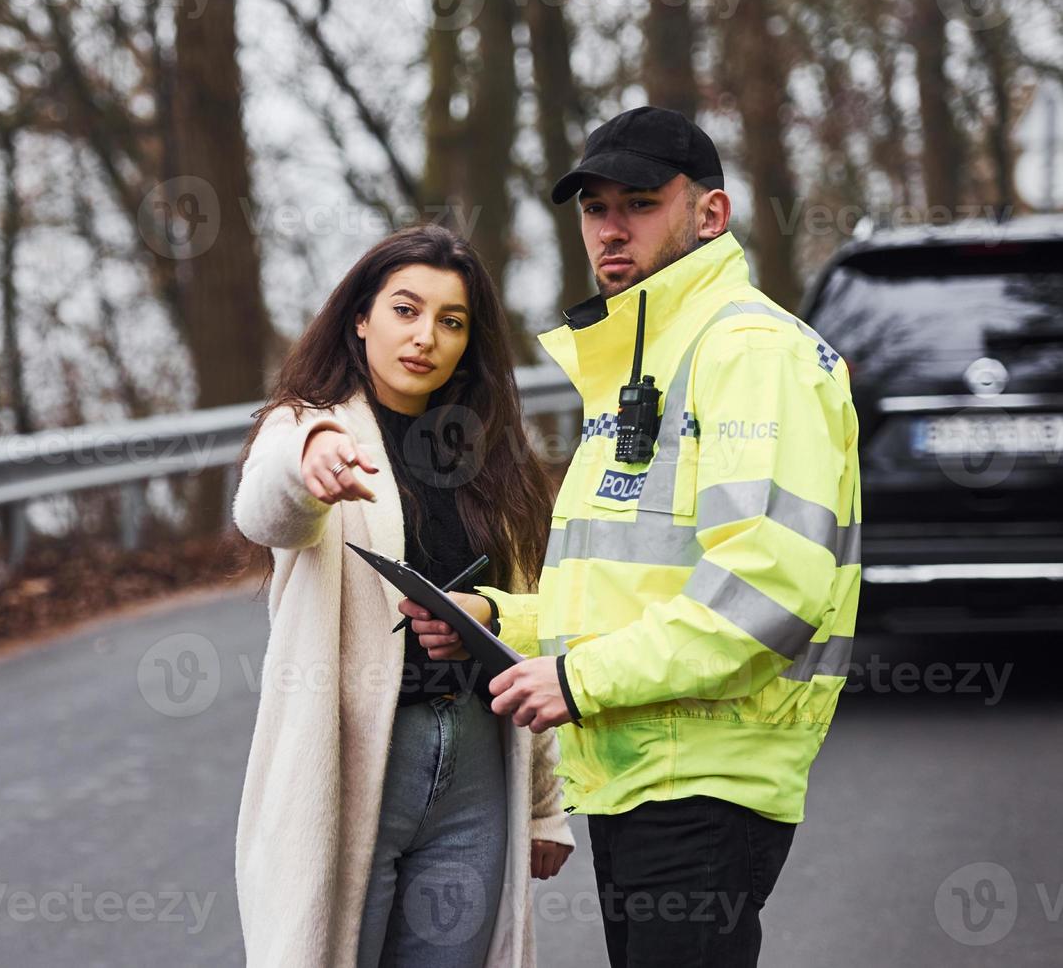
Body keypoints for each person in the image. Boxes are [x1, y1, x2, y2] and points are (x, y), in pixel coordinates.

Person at [413, 106, 863, 967]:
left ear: (710, 214)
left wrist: (576, 681)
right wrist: (499, 621)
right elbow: (627, 588)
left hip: (706, 779)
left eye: (640, 203)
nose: (610, 230)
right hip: (640, 772)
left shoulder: (750, 352)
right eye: (594, 208)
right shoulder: (643, 362)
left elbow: (767, 595)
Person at [232, 224, 575, 967]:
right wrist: (310, 455)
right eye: (405, 310)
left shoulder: (490, 461)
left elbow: (528, 632)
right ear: (361, 317)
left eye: (451, 322)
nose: (425, 337)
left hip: (478, 768)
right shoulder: (306, 429)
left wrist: (546, 806)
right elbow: (264, 510)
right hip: (355, 764)